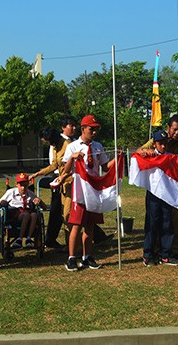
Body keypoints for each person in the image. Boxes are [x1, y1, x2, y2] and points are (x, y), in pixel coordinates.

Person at [136, 115, 178, 262]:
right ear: (168, 128)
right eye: (174, 129)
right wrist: (145, 152)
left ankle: (173, 251)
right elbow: (139, 151)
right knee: (154, 220)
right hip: (156, 187)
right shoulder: (158, 139)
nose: (177, 133)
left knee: (173, 220)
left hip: (174, 188)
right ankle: (153, 252)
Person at [62, 115, 112, 271]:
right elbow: (65, 170)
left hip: (93, 190)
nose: (94, 132)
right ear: (83, 129)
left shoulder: (98, 146)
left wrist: (117, 159)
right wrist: (72, 157)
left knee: (90, 225)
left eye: (96, 129)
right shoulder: (73, 146)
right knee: (77, 225)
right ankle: (71, 258)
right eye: (92, 129)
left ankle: (87, 256)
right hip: (79, 190)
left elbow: (105, 167)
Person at [141, 130, 178, 267]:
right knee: (152, 224)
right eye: (160, 144)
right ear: (154, 144)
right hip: (153, 194)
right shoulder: (149, 155)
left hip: (167, 194)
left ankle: (165, 254)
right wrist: (145, 152)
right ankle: (148, 254)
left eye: (165, 143)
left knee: (167, 223)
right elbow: (136, 155)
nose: (163, 146)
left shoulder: (171, 157)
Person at [28, 125, 69, 249]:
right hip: (61, 185)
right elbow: (54, 165)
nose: (46, 144)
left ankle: (71, 246)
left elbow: (73, 166)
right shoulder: (56, 147)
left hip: (70, 184)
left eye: (46, 141)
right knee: (63, 214)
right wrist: (37, 174)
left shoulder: (67, 145)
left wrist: (63, 177)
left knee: (67, 215)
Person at [0, 173, 45, 247]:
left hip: (28, 214)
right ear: (16, 184)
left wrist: (40, 201)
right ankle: (19, 239)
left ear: (28, 184)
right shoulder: (10, 192)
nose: (23, 188)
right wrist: (2, 203)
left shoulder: (30, 193)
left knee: (34, 215)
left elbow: (44, 207)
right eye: (21, 185)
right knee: (26, 214)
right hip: (14, 216)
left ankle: (28, 239)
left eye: (25, 185)